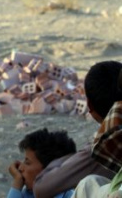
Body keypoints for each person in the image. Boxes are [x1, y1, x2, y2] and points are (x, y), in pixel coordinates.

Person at [32, 61, 120, 197]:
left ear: (89, 106)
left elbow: (41, 187)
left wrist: (63, 159)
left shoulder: (103, 147)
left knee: (87, 185)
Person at [7, 129, 77, 198]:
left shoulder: (72, 196)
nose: (20, 168)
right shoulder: (26, 194)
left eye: (27, 163)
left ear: (50, 170)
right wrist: (17, 184)